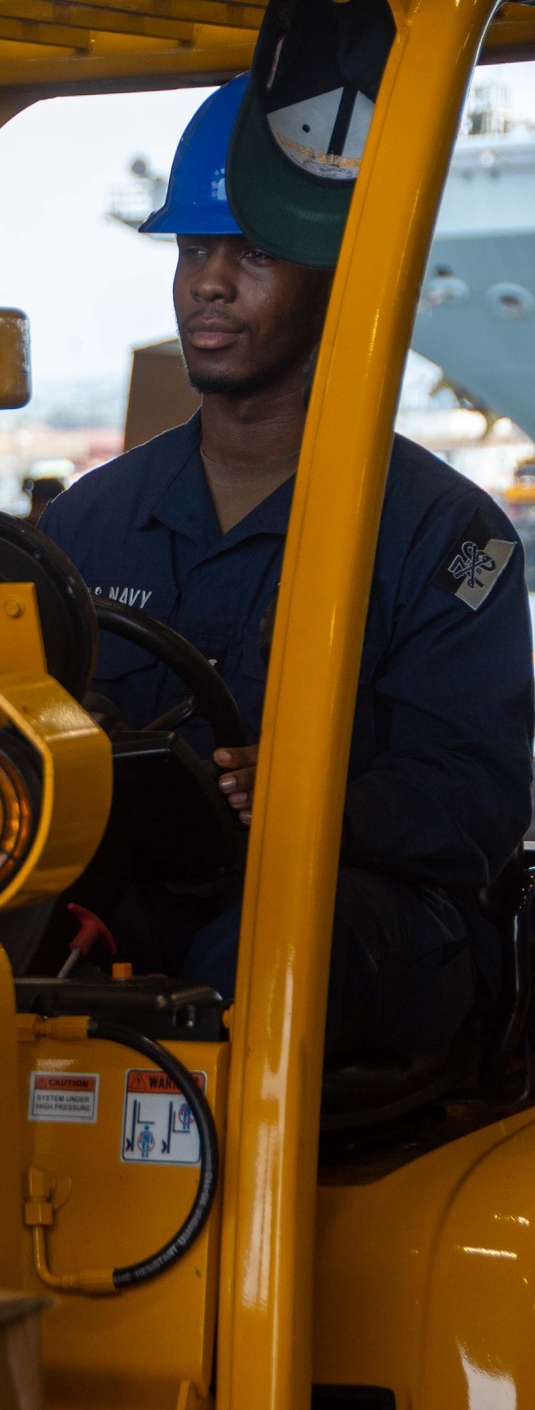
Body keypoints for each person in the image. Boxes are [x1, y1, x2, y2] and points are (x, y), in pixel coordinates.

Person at [39, 76, 535, 1062]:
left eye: (253, 252)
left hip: (371, 922)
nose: (206, 283)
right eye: (191, 250)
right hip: (140, 900)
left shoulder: (441, 533)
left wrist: (311, 795)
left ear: (341, 274)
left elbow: (481, 800)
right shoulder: (88, 521)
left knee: (258, 949)